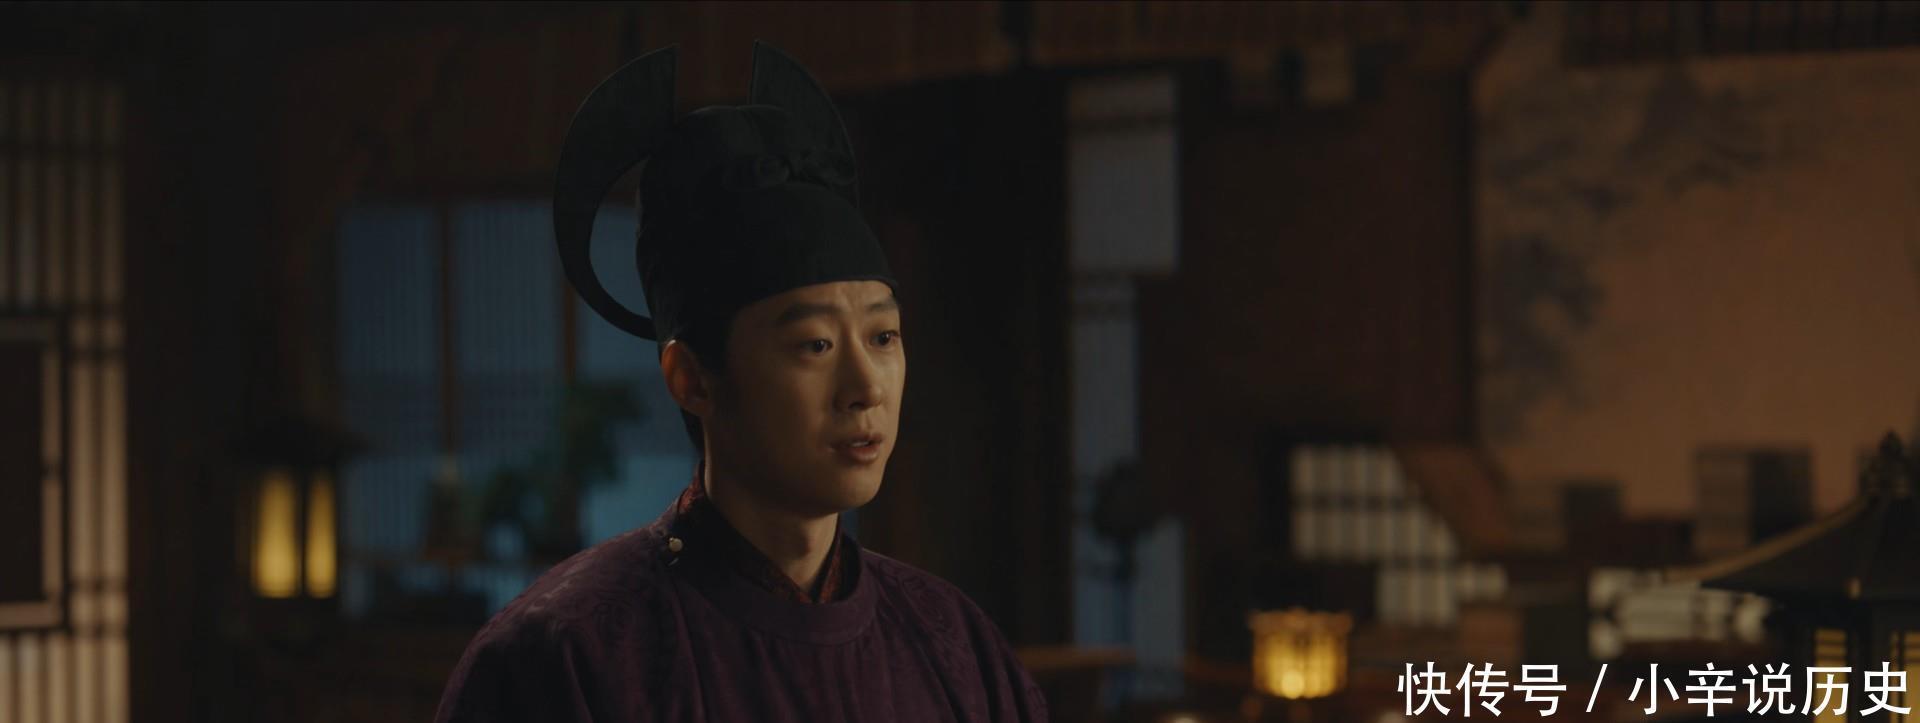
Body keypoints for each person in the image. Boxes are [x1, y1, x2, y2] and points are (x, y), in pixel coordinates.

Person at [431, 42, 1049, 723]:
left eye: (883, 337)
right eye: (814, 344)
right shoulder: (565, 655)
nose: (866, 388)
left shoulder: (956, 647)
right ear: (692, 378)